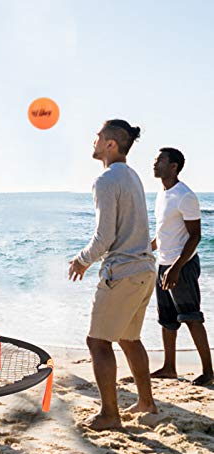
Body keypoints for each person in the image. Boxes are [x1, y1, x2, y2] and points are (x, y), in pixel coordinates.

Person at [68, 119, 157, 430]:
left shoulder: (105, 180)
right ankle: (146, 402)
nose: (92, 142)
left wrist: (82, 260)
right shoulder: (132, 176)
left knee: (98, 342)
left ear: (110, 144)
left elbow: (104, 236)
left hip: (123, 272)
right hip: (145, 269)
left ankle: (110, 415)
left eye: (97, 137)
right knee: (130, 338)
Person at [151, 147, 213, 386]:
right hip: (163, 264)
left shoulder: (185, 196)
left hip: (182, 266)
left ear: (174, 166)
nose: (154, 164)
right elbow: (163, 233)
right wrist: (147, 250)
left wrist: (176, 268)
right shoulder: (161, 193)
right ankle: (169, 367)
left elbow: (195, 236)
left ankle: (209, 371)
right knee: (166, 318)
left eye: (160, 160)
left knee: (191, 317)